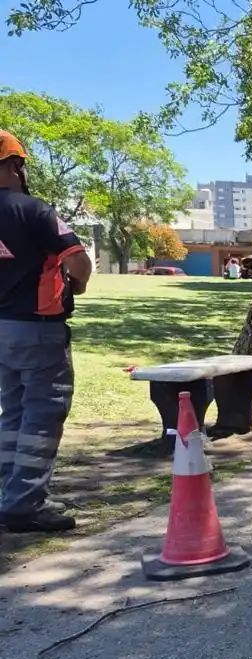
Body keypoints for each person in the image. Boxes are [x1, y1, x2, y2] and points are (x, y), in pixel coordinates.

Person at [0, 131, 92, 532]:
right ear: (15, 165)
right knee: (42, 415)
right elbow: (79, 263)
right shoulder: (35, 211)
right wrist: (81, 285)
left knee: (13, 414)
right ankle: (23, 505)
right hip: (37, 331)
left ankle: (9, 494)